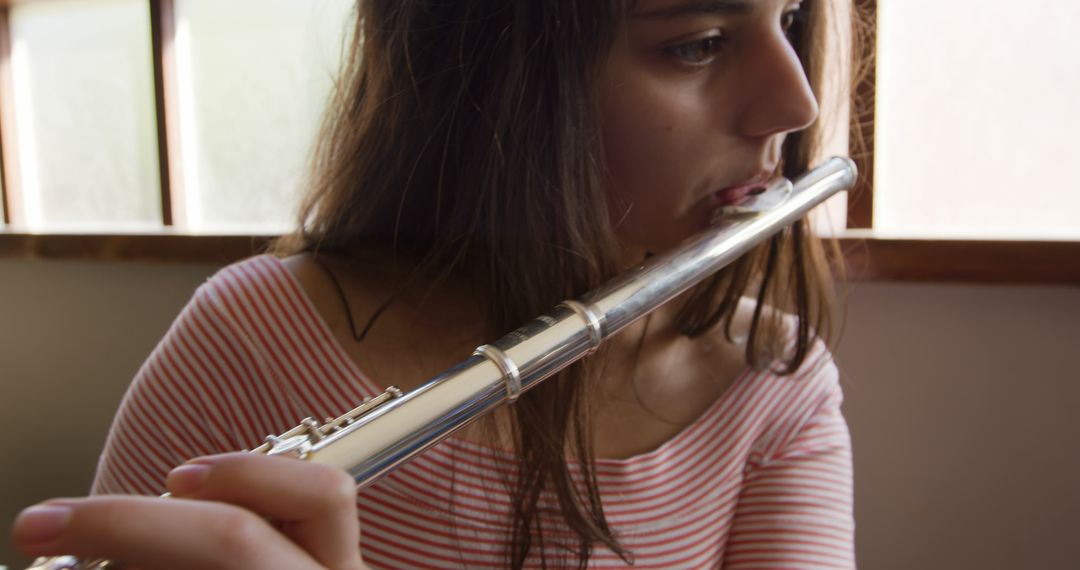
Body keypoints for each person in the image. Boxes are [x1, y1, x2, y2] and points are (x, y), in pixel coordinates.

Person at [13, 0, 857, 567]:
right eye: (697, 43)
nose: (796, 103)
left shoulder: (774, 382)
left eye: (787, 15)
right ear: (496, 76)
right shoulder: (249, 339)